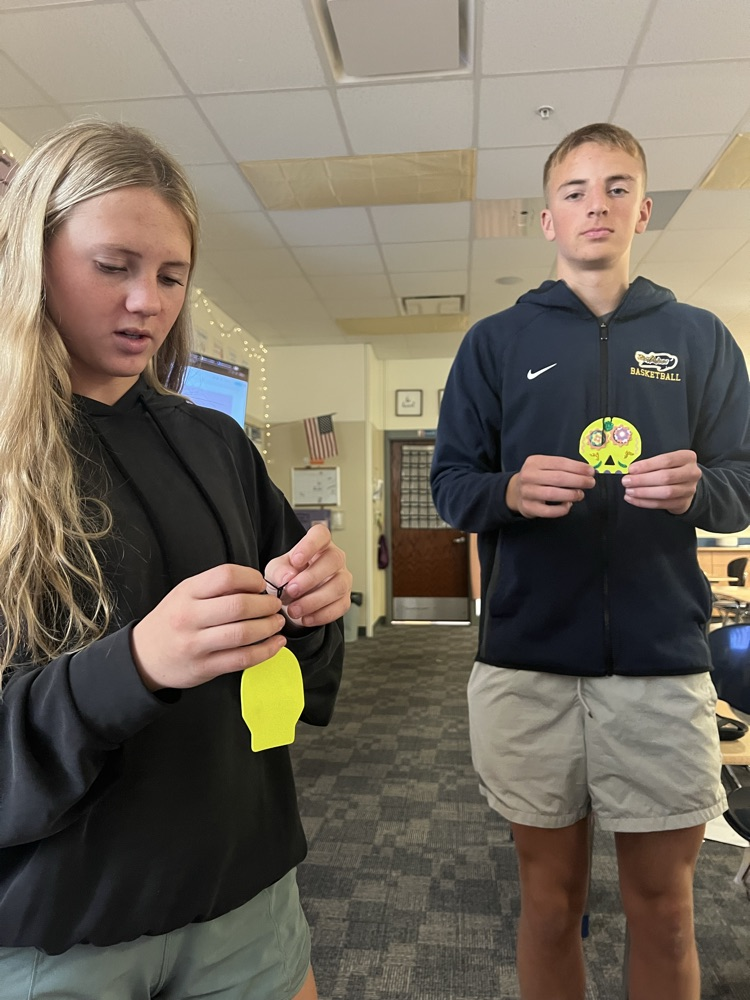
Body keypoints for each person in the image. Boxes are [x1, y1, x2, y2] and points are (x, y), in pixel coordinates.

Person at [0, 119, 352, 1000]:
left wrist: (311, 608)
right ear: (33, 259)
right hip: (59, 933)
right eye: (112, 267)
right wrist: (138, 665)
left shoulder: (216, 442)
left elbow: (298, 677)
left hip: (245, 895)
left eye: (170, 276)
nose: (146, 304)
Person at [431, 122, 750, 1000]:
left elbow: (742, 480)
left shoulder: (700, 338)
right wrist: (507, 493)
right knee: (548, 904)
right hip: (527, 664)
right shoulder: (495, 344)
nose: (596, 206)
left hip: (658, 665)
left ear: (644, 209)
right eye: (575, 191)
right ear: (547, 220)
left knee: (666, 909)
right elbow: (451, 484)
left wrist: (702, 492)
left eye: (616, 187)